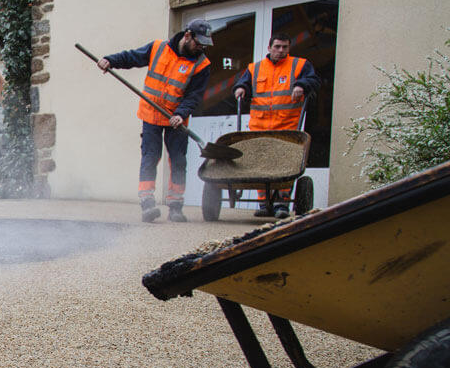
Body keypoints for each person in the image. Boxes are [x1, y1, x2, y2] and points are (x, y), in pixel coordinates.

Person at [97, 19, 213, 223]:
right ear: (187, 35)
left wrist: (181, 113)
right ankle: (147, 203)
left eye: (204, 45)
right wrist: (110, 60)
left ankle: (176, 206)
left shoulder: (202, 65)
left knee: (178, 161)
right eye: (198, 43)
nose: (201, 48)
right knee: (150, 156)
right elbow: (132, 57)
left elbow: (194, 95)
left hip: (176, 118)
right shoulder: (158, 48)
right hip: (151, 113)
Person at [232, 32, 320, 219]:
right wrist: (240, 88)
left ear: (289, 48)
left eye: (284, 47)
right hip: (259, 126)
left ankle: (282, 203)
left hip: (287, 126)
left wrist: (302, 85)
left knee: (283, 164)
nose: (281, 51)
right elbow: (243, 83)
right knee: (259, 164)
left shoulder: (299, 65)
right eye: (277, 47)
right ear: (269, 48)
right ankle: (264, 204)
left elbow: (314, 81)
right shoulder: (255, 68)